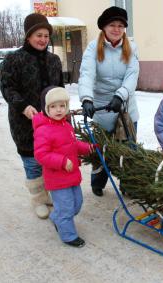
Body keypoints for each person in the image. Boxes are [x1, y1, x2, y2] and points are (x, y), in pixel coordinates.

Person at [0, 13, 64, 219]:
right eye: (39, 35)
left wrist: (64, 111)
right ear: (28, 36)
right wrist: (23, 106)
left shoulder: (54, 60)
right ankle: (38, 199)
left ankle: (48, 194)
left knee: (50, 160)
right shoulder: (14, 59)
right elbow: (8, 88)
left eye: (46, 35)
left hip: (52, 122)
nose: (43, 39)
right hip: (24, 123)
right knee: (32, 162)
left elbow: (60, 89)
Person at [78, 6, 140, 197]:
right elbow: (87, 74)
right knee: (100, 150)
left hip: (125, 108)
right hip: (102, 108)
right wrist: (87, 99)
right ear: (104, 27)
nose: (116, 29)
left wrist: (120, 95)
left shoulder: (132, 47)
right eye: (112, 25)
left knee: (127, 151)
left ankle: (128, 185)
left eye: (121, 26)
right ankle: (98, 182)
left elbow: (132, 75)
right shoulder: (92, 48)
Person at [33, 86, 93, 247]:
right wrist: (61, 161)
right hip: (57, 178)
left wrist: (88, 147)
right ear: (46, 108)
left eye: (62, 106)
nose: (58, 110)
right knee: (66, 208)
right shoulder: (43, 130)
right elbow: (41, 154)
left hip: (72, 175)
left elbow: (73, 144)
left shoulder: (65, 125)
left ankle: (58, 217)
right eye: (53, 106)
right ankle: (68, 235)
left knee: (77, 204)